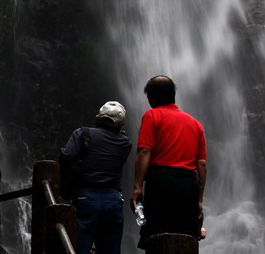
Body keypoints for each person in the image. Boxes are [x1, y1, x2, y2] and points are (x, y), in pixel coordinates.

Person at [130, 76, 207, 250]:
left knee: (157, 234)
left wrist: (137, 186)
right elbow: (201, 164)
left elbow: (144, 152)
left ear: (150, 98)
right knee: (187, 235)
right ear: (173, 95)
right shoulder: (195, 124)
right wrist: (199, 199)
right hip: (188, 184)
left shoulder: (152, 116)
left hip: (161, 182)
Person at [60, 101, 132, 254]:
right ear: (121, 125)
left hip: (86, 196)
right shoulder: (125, 143)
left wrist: (77, 173)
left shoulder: (83, 134)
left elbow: (66, 157)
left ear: (97, 118)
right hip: (113, 199)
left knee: (78, 247)